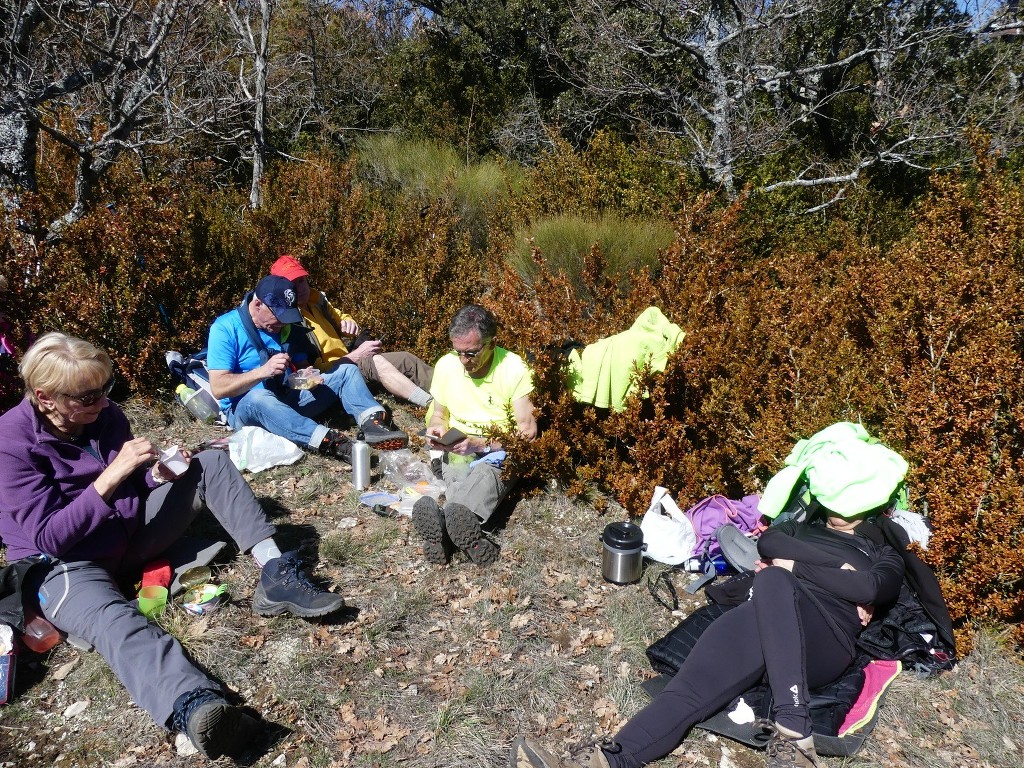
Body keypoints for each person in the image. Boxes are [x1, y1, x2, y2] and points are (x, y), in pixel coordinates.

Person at [0, 333, 346, 760]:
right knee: (115, 621)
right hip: (67, 563)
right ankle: (197, 707)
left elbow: (133, 486)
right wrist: (110, 477)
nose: (103, 403)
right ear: (45, 397)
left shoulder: (105, 416)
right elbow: (50, 536)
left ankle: (275, 574)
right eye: (89, 396)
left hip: (126, 533)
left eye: (105, 389)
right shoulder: (10, 444)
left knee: (212, 463)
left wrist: (156, 475)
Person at [511, 511, 906, 768]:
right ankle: (608, 761)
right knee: (686, 692)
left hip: (823, 639)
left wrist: (794, 565)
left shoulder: (883, 551)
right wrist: (833, 571)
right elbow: (769, 544)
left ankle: (795, 729)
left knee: (774, 576)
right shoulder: (798, 524)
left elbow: (869, 585)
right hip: (763, 613)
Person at [207, 274, 408, 463]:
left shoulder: (285, 326)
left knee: (346, 370)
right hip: (247, 409)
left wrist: (307, 378)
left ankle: (374, 424)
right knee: (258, 398)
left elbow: (299, 370)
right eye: (278, 316)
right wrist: (263, 371)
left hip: (286, 396)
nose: (281, 323)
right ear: (258, 305)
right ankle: (332, 443)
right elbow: (218, 387)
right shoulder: (225, 328)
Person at [412, 305, 537, 566]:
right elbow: (439, 415)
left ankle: (445, 530)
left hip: (498, 449)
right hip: (457, 445)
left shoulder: (514, 369)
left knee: (485, 475)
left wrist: (480, 444)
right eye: (458, 352)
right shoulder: (447, 366)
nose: (464, 361)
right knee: (458, 471)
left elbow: (527, 432)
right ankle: (462, 528)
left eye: (471, 353)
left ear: (492, 343)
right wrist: (437, 429)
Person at [269, 255, 434, 407]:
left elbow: (340, 317)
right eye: (293, 284)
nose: (301, 288)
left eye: (302, 281)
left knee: (405, 359)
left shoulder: (315, 301)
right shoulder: (289, 322)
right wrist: (356, 356)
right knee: (374, 362)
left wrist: (347, 322)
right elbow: (308, 374)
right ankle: (431, 404)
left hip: (348, 359)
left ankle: (450, 392)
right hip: (333, 376)